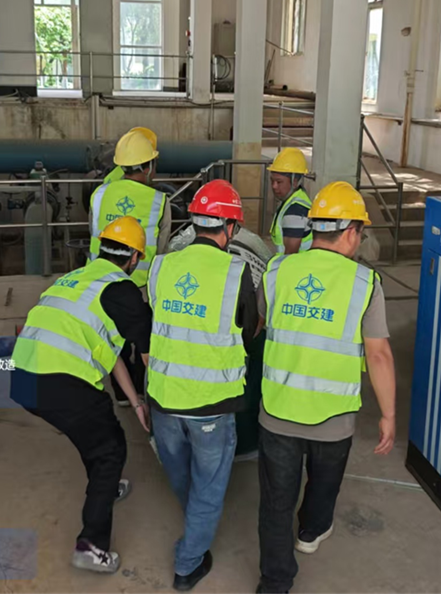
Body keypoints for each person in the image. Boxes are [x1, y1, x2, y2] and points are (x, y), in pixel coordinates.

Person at [256, 181, 396, 594]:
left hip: (278, 410)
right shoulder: (365, 283)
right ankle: (311, 531)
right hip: (333, 419)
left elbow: (264, 318)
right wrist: (388, 415)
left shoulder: (277, 270)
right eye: (361, 233)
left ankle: (275, 583)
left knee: (275, 501)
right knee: (323, 482)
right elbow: (379, 355)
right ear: (351, 231)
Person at [10, 217, 153, 575]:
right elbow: (148, 358)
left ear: (100, 249)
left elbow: (111, 352)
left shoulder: (74, 278)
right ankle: (91, 546)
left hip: (22, 377)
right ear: (135, 258)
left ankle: (106, 486)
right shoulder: (123, 292)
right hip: (60, 382)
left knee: (96, 435)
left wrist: (135, 402)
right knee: (110, 450)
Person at [142, 180, 262, 591]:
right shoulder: (236, 272)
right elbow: (248, 331)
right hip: (211, 404)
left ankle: (195, 526)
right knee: (209, 488)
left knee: (182, 476)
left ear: (194, 223)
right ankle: (188, 563)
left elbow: (157, 320)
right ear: (230, 227)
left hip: (163, 399)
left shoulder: (161, 266)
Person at [89, 128, 169, 406]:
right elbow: (162, 249)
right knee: (143, 339)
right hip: (141, 286)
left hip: (101, 281)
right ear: (148, 167)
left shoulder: (99, 194)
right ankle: (140, 389)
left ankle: (122, 394)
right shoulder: (159, 202)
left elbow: (94, 231)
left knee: (113, 336)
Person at [267, 148, 312, 254]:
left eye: (279, 182)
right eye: (272, 181)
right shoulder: (292, 201)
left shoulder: (295, 211)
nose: (274, 186)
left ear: (294, 182)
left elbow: (290, 255)